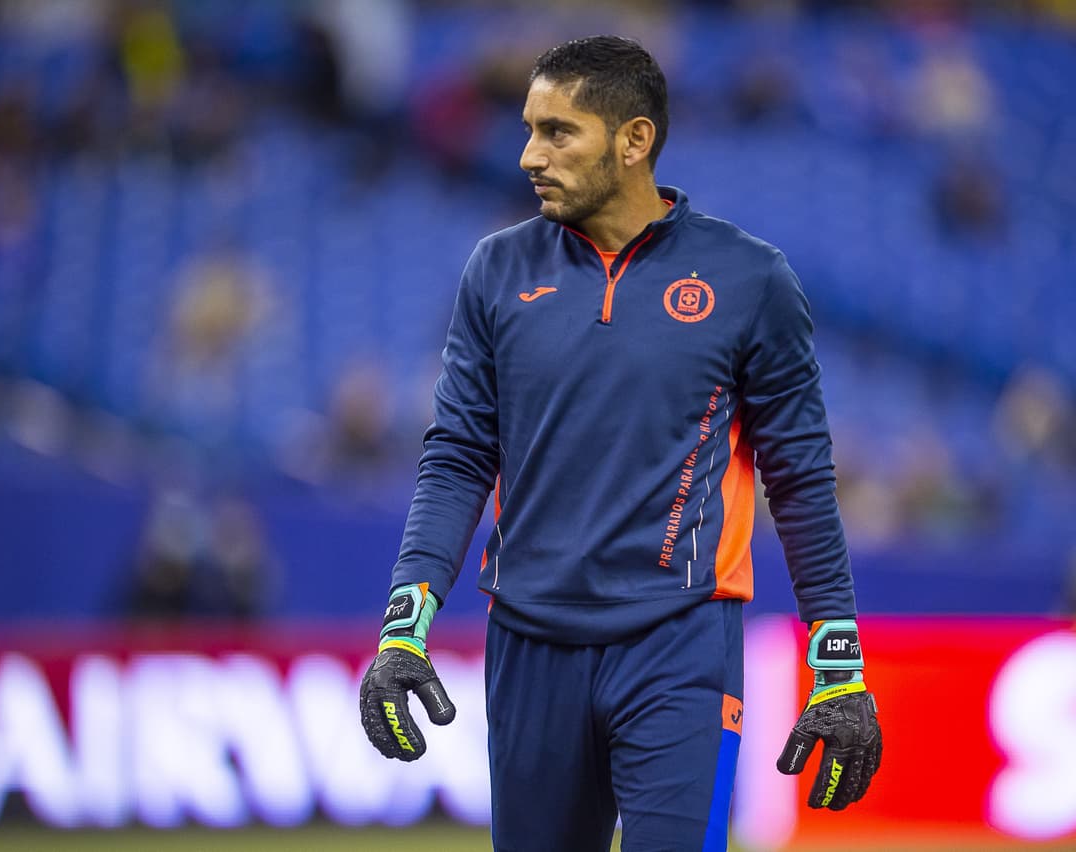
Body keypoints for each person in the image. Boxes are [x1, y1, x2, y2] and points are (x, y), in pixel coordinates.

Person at [358, 36, 881, 851]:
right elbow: (457, 458)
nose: (529, 155)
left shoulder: (750, 280)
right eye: (529, 130)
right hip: (527, 645)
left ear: (634, 140)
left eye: (558, 132)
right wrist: (404, 624)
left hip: (683, 648)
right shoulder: (496, 271)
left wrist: (838, 666)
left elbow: (802, 480)